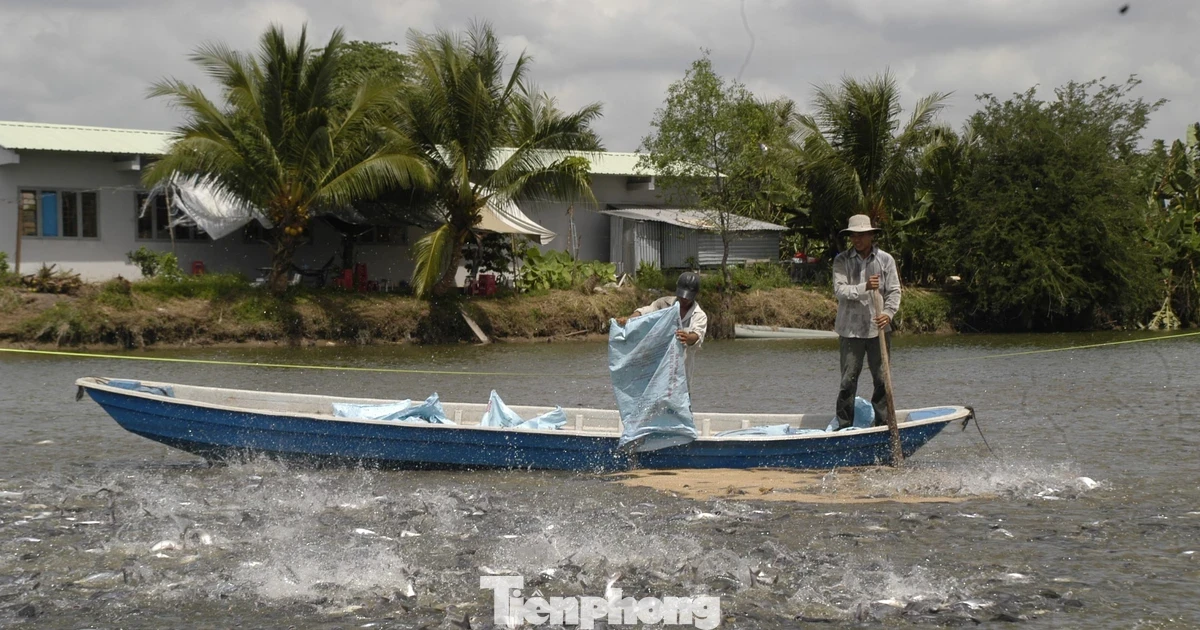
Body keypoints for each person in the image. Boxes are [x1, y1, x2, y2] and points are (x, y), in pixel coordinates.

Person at [832, 214, 901, 429]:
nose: (857, 239)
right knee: (848, 380)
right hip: (850, 330)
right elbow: (840, 290)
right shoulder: (842, 260)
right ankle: (844, 426)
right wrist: (865, 287)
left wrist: (888, 313)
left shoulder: (885, 260)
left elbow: (894, 291)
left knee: (882, 379)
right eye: (854, 235)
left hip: (877, 328)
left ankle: (882, 425)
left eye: (862, 235)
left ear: (871, 235)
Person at [615, 271, 708, 384]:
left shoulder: (699, 315)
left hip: (679, 376)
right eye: (681, 295)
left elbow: (697, 336)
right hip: (656, 370)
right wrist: (629, 320)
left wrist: (688, 338)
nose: (683, 299)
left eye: (687, 297)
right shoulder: (664, 304)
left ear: (695, 294)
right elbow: (647, 312)